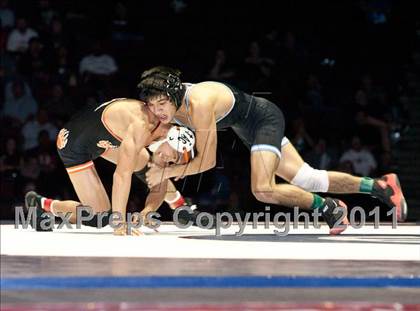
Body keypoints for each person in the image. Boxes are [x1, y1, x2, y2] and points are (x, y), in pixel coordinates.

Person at [138, 67, 408, 234]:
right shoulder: (167, 111)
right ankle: (382, 187)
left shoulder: (199, 103)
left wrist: (169, 171)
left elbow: (207, 162)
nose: (159, 112)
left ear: (173, 97)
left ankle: (328, 207)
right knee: (307, 178)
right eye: (153, 106)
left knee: (263, 189)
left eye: (162, 104)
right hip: (247, 127)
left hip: (263, 119)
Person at [25, 97, 196, 235]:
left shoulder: (165, 128)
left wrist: (146, 212)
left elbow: (161, 179)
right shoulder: (141, 129)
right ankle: (41, 203)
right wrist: (119, 221)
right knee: (99, 217)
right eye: (172, 156)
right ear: (170, 139)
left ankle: (179, 206)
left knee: (152, 167)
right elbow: (121, 176)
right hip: (74, 143)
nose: (168, 159)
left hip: (100, 135)